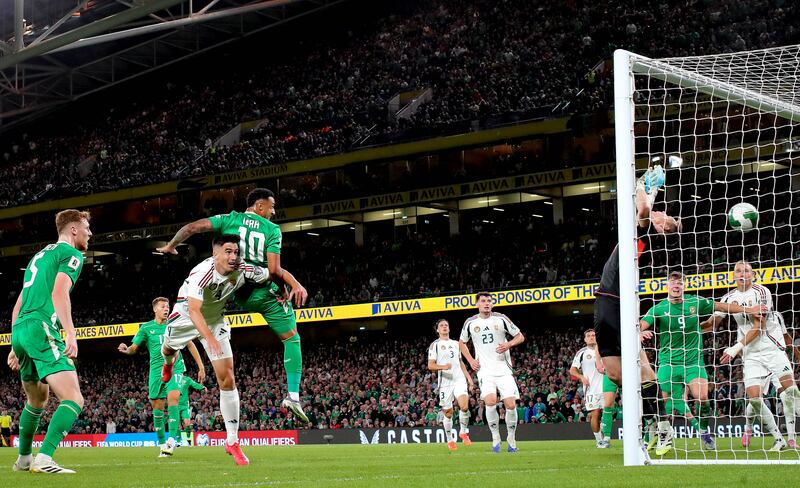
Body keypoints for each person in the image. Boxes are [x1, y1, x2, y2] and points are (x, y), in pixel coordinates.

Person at [156, 188, 309, 421]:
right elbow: (274, 270)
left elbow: (192, 228)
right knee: (291, 337)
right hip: (261, 289)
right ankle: (293, 396)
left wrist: (171, 245)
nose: (274, 211)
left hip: (236, 290)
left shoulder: (229, 219)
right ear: (259, 206)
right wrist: (289, 286)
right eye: (272, 206)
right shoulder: (272, 230)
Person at [160, 234, 269, 465]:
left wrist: (291, 285)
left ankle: (232, 440)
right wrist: (208, 338)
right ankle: (168, 365)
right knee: (168, 349)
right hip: (187, 316)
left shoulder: (243, 268)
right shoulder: (202, 273)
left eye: (236, 252)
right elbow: (195, 310)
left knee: (227, 378)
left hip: (215, 321)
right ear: (215, 254)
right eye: (228, 251)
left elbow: (273, 273)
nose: (233, 256)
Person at [592, 165, 679, 451]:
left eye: (664, 218)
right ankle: (654, 420)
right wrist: (650, 191)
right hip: (607, 303)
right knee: (617, 374)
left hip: (618, 305)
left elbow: (642, 210)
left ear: (662, 228)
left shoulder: (645, 235)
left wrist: (641, 184)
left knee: (642, 371)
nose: (660, 214)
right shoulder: (639, 233)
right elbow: (643, 210)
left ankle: (662, 427)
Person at [640, 270, 765, 454]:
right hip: (668, 362)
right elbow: (642, 323)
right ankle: (660, 434)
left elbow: (722, 307)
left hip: (693, 363)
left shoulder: (695, 302)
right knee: (663, 402)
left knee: (703, 399)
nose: (676, 285)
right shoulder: (658, 308)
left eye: (680, 282)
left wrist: (749, 310)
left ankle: (704, 431)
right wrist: (641, 331)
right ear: (667, 286)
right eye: (673, 282)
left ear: (684, 286)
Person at [6, 210, 92, 474]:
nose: (90, 233)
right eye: (87, 228)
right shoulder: (72, 254)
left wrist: (14, 344)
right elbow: (59, 291)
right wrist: (70, 331)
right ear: (73, 230)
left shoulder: (40, 256)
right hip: (42, 327)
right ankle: (44, 457)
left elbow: (19, 302)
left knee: (36, 401)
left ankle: (23, 460)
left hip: (22, 329)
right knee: (74, 398)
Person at [706, 260, 800, 451]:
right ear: (733, 275)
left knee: (790, 392)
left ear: (752, 274)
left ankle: (792, 437)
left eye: (746, 271)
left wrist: (735, 348)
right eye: (738, 271)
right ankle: (778, 439)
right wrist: (686, 328)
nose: (743, 274)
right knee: (755, 399)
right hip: (751, 355)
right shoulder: (728, 298)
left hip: (771, 349)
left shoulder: (762, 292)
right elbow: (712, 323)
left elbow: (760, 326)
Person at [118, 297, 205, 456]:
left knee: (173, 399)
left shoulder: (174, 324)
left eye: (168, 307)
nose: (166, 309)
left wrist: (200, 366)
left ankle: (172, 441)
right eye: (163, 307)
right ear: (155, 309)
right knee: (157, 409)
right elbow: (134, 348)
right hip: (156, 372)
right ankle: (162, 445)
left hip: (175, 368)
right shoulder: (146, 328)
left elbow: (190, 343)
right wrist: (126, 349)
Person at [460, 292, 525, 453]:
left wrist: (509, 344)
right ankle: (495, 437)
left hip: (503, 369)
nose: (486, 303)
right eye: (483, 301)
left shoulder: (501, 318)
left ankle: (511, 437)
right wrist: (471, 360)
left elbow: (520, 336)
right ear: (477, 304)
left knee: (510, 404)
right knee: (490, 402)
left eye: (489, 301)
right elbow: (462, 343)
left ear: (492, 303)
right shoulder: (470, 322)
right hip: (485, 371)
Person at [427, 318, 475, 451]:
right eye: (441, 325)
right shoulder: (434, 345)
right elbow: (430, 365)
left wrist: (470, 380)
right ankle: (449, 439)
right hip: (445, 382)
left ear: (449, 328)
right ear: (437, 330)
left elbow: (461, 363)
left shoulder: (456, 343)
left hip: (459, 379)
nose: (444, 327)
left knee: (464, 406)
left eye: (446, 325)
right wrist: (443, 366)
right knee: (448, 413)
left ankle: (463, 432)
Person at [569, 329, 605, 448]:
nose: (591, 337)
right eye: (588, 336)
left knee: (607, 412)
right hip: (591, 388)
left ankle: (606, 436)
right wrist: (581, 377)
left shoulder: (604, 349)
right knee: (596, 413)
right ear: (585, 339)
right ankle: (599, 440)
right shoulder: (582, 353)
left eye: (593, 335)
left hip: (606, 386)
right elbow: (572, 370)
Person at [167, 373, 205, 447]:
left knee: (187, 423)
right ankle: (178, 442)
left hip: (184, 406)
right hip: (175, 405)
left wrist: (202, 387)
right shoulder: (172, 379)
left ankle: (188, 438)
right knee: (177, 424)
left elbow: (194, 384)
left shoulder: (187, 379)